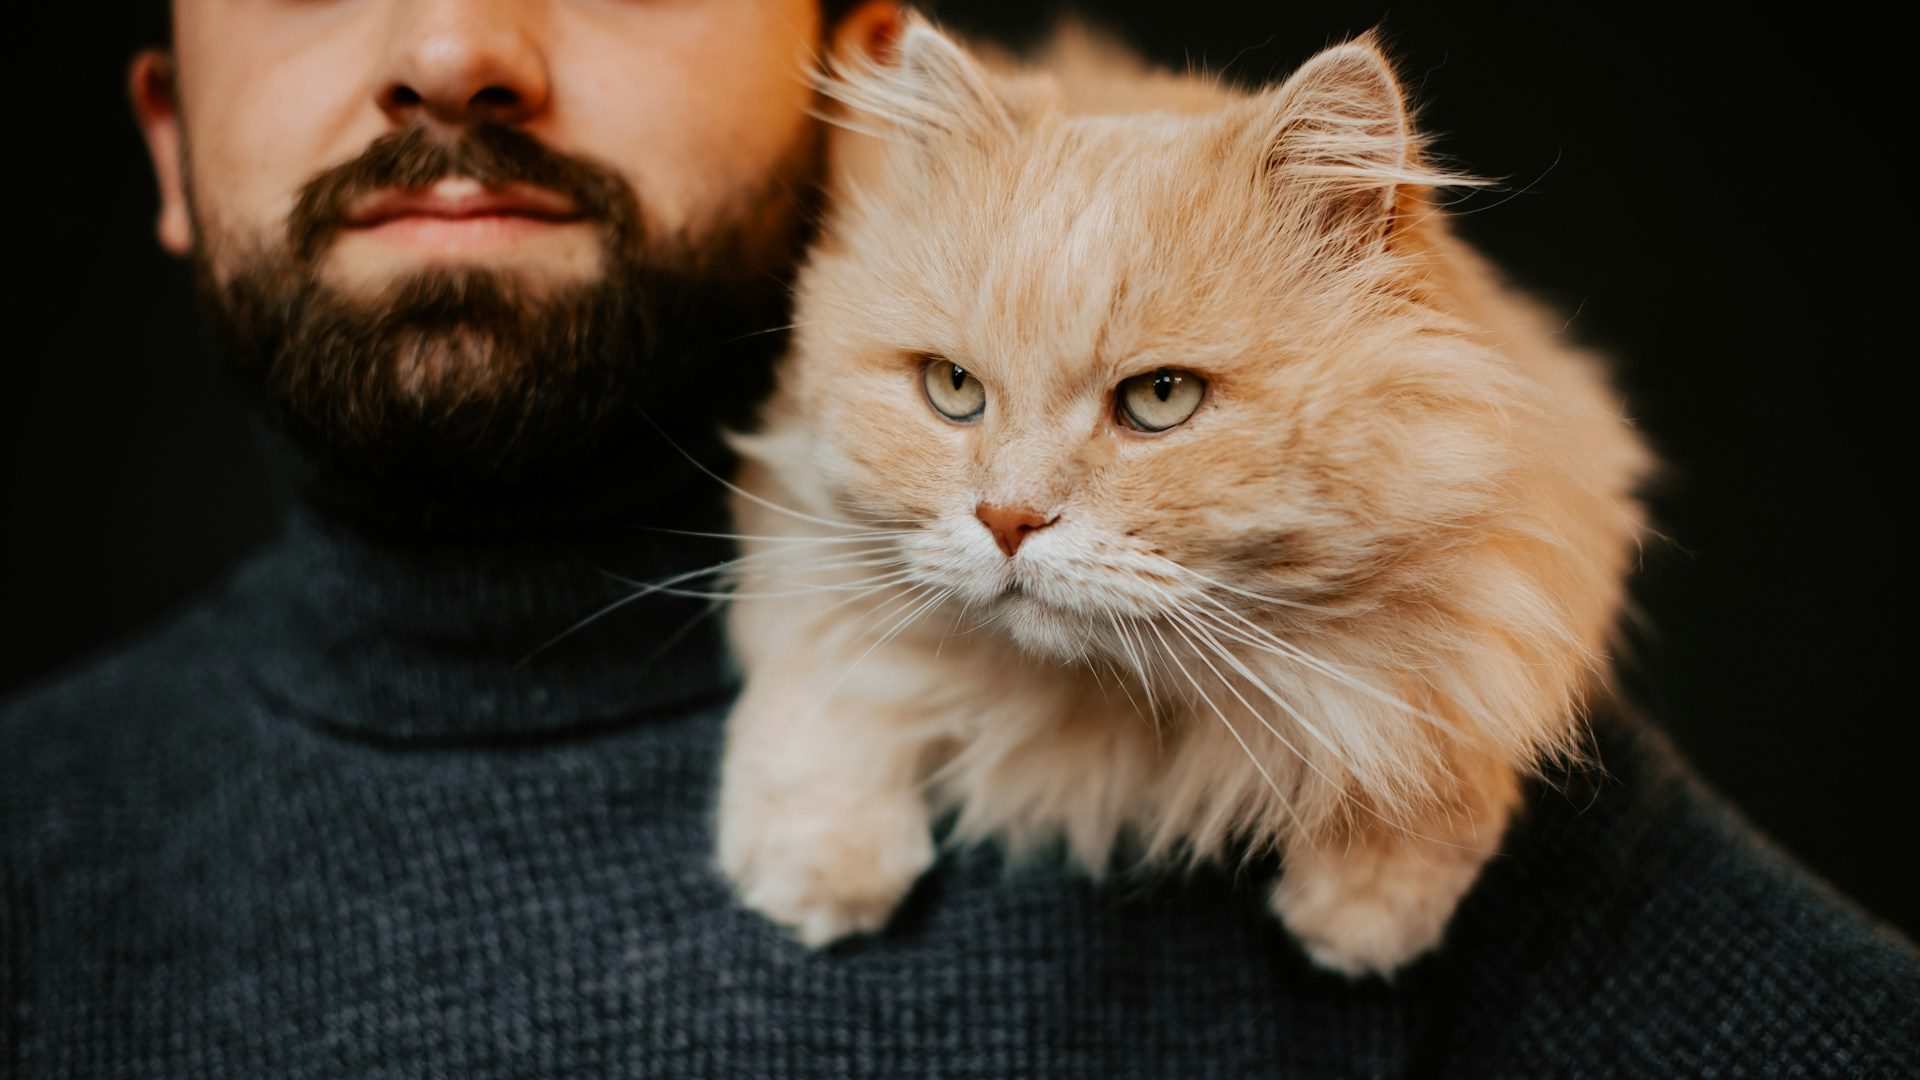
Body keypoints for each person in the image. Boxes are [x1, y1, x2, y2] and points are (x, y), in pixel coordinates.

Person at [2, 0, 1914, 1074]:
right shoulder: (38, 851)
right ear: (163, 138)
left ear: (850, 101)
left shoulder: (1541, 860)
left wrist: (1449, 737)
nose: (451, 41)